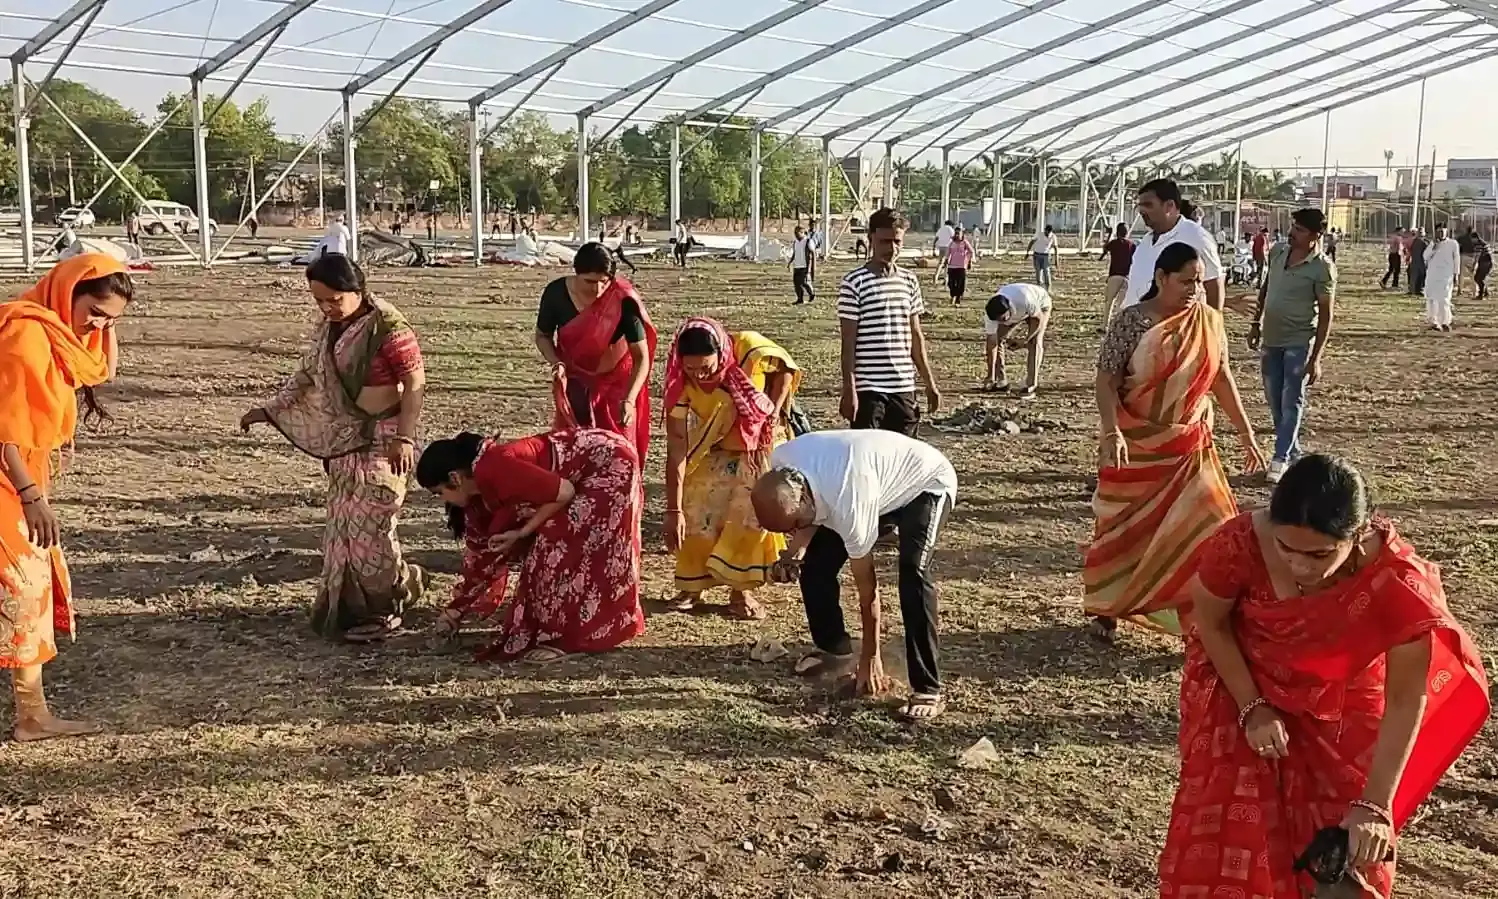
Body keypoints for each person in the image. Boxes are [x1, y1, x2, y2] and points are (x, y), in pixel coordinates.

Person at [1159, 455, 1490, 899]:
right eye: (1285, 549)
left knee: (1342, 851)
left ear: (1357, 536)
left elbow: (1406, 699)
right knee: (1236, 830)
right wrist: (1253, 707)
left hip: (1343, 707)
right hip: (1239, 681)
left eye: (1318, 554)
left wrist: (1376, 805)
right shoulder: (1238, 543)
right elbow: (1211, 622)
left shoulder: (1396, 582)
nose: (1299, 566)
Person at [240, 254, 426, 642]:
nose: (327, 308)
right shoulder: (329, 328)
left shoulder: (388, 327)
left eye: (334, 300)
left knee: (372, 527)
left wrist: (404, 437)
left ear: (357, 290)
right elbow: (308, 373)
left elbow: (414, 383)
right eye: (319, 301)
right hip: (345, 442)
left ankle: (385, 609)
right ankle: (369, 601)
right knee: (342, 529)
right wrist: (270, 410)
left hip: (385, 440)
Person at [1084, 242, 1265, 643]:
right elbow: (1106, 380)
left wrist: (1246, 433)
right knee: (1124, 530)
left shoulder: (1209, 322)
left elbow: (1221, 378)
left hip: (1191, 445)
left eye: (1199, 282)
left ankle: (1201, 618)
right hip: (1135, 444)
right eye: (1186, 281)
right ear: (1162, 278)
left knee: (1209, 528)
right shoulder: (1132, 322)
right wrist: (1111, 430)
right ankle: (1109, 607)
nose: (1194, 290)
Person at [0, 254, 133, 741]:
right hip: (11, 479)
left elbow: (101, 372)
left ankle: (31, 714)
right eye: (94, 311)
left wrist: (106, 319)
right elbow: (5, 430)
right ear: (67, 291)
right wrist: (32, 495)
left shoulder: (57, 333)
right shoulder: (25, 335)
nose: (98, 326)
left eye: (110, 319)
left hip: (22, 478)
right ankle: (31, 716)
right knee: (24, 587)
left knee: (26, 590)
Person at [750, 430, 957, 721]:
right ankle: (836, 652)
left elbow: (867, 589)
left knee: (913, 574)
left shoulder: (849, 500)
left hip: (925, 484)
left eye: (795, 524)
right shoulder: (782, 460)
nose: (791, 534)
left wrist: (871, 656)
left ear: (806, 501)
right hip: (872, 481)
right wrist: (794, 551)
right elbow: (806, 518)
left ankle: (927, 688)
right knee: (816, 566)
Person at [419, 428, 645, 662]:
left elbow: (565, 492)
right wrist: (456, 609)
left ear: (455, 478)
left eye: (440, 493)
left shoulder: (495, 469)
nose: (444, 501)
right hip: (587, 467)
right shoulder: (478, 497)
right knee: (550, 545)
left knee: (555, 551)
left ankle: (572, 637)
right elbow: (484, 555)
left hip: (609, 462)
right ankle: (573, 628)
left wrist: (523, 531)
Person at [662, 318, 801, 620]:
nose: (699, 376)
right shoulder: (680, 384)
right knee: (696, 508)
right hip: (716, 445)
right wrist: (672, 510)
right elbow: (676, 448)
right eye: (691, 369)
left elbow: (785, 371)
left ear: (721, 354)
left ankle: (741, 591)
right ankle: (692, 586)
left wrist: (774, 412)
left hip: (758, 448)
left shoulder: (749, 350)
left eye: (707, 368)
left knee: (751, 516)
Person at [534, 242, 656, 463]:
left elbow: (641, 356)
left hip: (616, 388)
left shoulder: (621, 300)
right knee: (574, 451)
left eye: (604, 281)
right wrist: (556, 362)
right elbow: (542, 336)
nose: (597, 289)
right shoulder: (556, 294)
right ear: (576, 273)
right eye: (589, 281)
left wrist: (629, 399)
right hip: (575, 382)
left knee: (619, 455)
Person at [1247, 207, 1337, 484]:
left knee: (1292, 399)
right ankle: (1292, 450)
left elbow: (1326, 314)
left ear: (1315, 235)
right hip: (1271, 338)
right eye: (1293, 226)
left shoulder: (1322, 267)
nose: (1292, 232)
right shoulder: (1277, 253)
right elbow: (1266, 286)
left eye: (1299, 229)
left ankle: (1280, 457)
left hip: (1299, 341)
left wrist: (1316, 358)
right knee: (1275, 398)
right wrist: (1255, 322)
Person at [836, 207, 941, 437]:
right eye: (885, 242)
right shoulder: (854, 283)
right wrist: (849, 389)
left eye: (897, 242)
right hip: (869, 390)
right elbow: (848, 342)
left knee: (903, 458)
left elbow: (915, 336)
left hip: (903, 387)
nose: (891, 249)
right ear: (871, 239)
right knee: (869, 457)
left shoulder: (908, 281)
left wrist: (929, 383)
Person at [1123, 179, 1224, 311]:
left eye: (1148, 205)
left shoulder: (1196, 237)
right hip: (1136, 324)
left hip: (1175, 327)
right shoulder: (1145, 242)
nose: (1141, 211)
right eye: (1140, 206)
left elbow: (1213, 285)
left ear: (1169, 206)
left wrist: (1213, 326)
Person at [982, 282, 1051, 398]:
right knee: (998, 339)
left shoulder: (1025, 300)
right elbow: (991, 345)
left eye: (1003, 319)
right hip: (1019, 310)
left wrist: (1025, 340)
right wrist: (990, 374)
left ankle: (1030, 386)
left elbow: (1037, 320)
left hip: (1040, 305)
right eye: (999, 320)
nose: (1002, 322)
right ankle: (1000, 381)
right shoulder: (991, 316)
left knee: (1034, 342)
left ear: (1009, 308)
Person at [1423, 223, 1461, 332]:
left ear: (1446, 231)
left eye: (1443, 231)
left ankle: (1445, 322)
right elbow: (1425, 256)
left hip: (1446, 276)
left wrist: (1456, 275)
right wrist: (1434, 247)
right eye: (1439, 231)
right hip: (1432, 275)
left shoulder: (1453, 244)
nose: (1441, 233)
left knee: (1444, 299)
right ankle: (1434, 322)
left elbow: (1456, 260)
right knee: (1431, 299)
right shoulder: (1432, 244)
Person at [1099, 222, 1133, 323]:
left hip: (1114, 276)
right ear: (1127, 232)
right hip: (1126, 277)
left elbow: (1105, 248)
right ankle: (1119, 325)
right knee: (1121, 305)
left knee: (1109, 302)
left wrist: (1109, 234)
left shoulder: (1114, 243)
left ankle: (1105, 326)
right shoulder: (1131, 245)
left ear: (1117, 232)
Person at [944, 225, 976, 305]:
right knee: (951, 283)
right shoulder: (952, 242)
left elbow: (971, 251)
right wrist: (946, 259)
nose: (957, 235)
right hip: (952, 266)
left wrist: (969, 261)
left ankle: (958, 298)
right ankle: (953, 295)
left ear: (962, 234)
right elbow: (948, 252)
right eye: (956, 233)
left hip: (961, 266)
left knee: (960, 283)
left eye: (959, 233)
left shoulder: (964, 242)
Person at [1459, 225, 1491, 299]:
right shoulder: (1482, 243)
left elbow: (1477, 256)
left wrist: (1473, 266)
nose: (1472, 241)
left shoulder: (1479, 244)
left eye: (1472, 239)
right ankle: (1485, 293)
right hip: (1486, 262)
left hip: (1485, 263)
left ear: (1475, 238)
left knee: (1478, 278)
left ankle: (1481, 295)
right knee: (1480, 278)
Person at [790, 225, 816, 305]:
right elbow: (795, 253)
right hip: (797, 266)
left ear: (802, 233)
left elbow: (813, 254)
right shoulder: (795, 242)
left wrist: (811, 267)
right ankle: (799, 299)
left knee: (804, 282)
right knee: (797, 283)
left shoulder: (808, 241)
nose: (795, 235)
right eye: (795, 233)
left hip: (805, 266)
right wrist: (790, 262)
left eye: (797, 233)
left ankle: (811, 293)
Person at [1027, 224, 1058, 288]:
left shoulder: (1053, 236)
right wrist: (1027, 252)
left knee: (1047, 273)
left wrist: (1056, 260)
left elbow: (1055, 248)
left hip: (1046, 256)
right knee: (1038, 273)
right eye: (1046, 231)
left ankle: (1048, 290)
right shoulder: (1039, 234)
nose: (1047, 233)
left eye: (1049, 232)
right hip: (1037, 255)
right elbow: (1031, 242)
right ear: (1045, 230)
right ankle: (1040, 289)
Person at [931, 219, 955, 283]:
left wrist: (933, 248)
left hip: (941, 246)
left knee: (941, 262)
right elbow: (953, 237)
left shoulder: (941, 229)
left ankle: (937, 276)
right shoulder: (950, 229)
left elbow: (936, 238)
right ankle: (944, 278)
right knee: (946, 263)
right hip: (947, 247)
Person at [1407, 227, 1428, 297]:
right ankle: (1416, 290)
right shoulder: (1422, 242)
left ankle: (1415, 290)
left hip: (1419, 261)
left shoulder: (1416, 241)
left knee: (1417, 276)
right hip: (1419, 261)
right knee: (1419, 276)